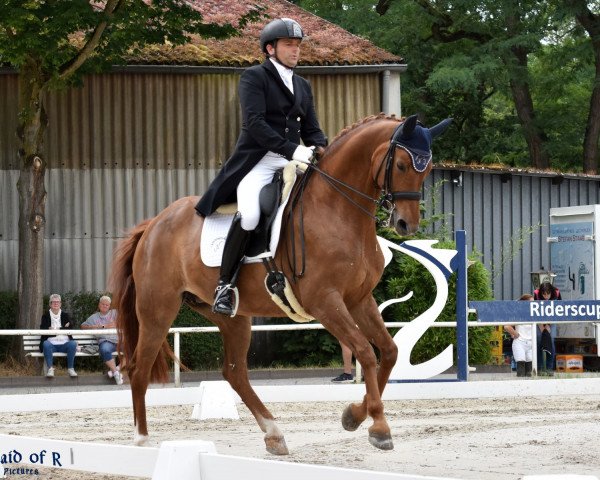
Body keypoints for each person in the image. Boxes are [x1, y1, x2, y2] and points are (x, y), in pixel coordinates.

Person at [195, 17, 328, 317]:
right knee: (251, 214)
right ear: (271, 48)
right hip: (259, 161)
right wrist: (294, 149)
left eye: (297, 45)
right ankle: (224, 286)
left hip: (295, 160)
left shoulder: (303, 85)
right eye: (289, 45)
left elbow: (312, 130)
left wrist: (323, 150)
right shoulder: (254, 77)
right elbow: (254, 125)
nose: (296, 51)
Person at [81, 295, 123, 385]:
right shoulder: (94, 317)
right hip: (105, 341)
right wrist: (95, 326)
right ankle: (116, 373)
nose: (105, 306)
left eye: (107, 305)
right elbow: (83, 326)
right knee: (104, 350)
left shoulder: (115, 313)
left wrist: (106, 326)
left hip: (119, 340)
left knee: (132, 349)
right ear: (99, 305)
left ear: (109, 306)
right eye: (103, 304)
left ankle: (116, 370)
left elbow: (122, 321)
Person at [39, 294, 78, 378]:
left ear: (60, 304)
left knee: (73, 344)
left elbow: (70, 327)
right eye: (54, 302)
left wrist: (54, 329)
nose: (56, 304)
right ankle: (50, 369)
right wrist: (62, 329)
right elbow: (43, 330)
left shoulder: (65, 315)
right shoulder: (45, 316)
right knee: (45, 344)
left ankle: (71, 369)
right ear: (50, 304)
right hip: (51, 344)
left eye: (58, 302)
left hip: (65, 344)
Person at [533, 282, 561, 373]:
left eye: (548, 294)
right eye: (543, 294)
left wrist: (549, 324)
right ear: (540, 293)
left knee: (551, 340)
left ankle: (549, 367)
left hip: (552, 320)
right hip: (539, 320)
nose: (546, 297)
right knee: (538, 340)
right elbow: (533, 311)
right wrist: (541, 325)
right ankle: (539, 367)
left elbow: (559, 310)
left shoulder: (557, 293)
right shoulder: (536, 293)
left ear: (551, 292)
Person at [504, 294, 534, 377]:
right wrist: (515, 334)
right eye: (530, 302)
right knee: (521, 367)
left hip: (531, 344)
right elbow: (506, 326)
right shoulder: (519, 315)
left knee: (529, 372)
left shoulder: (534, 314)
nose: (532, 304)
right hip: (520, 343)